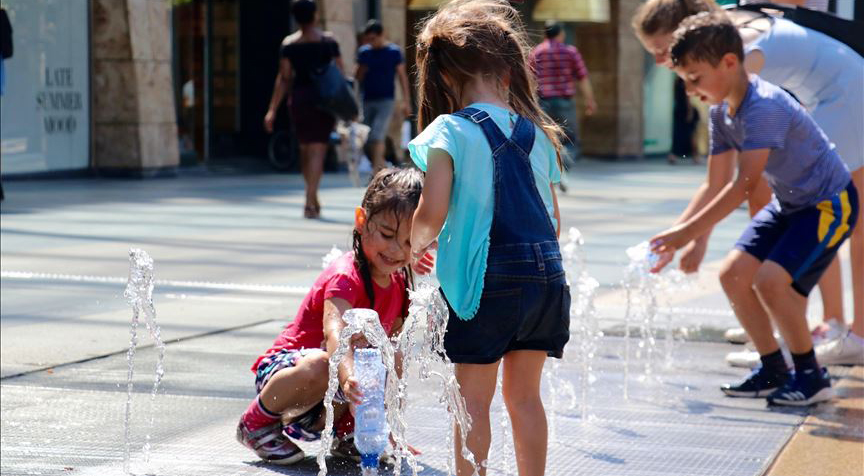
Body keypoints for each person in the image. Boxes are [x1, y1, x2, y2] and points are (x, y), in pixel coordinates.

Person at [632, 0, 864, 367]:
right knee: (828, 214)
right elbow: (717, 181)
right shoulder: (724, 45)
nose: (665, 62)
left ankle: (811, 331)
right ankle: (824, 326)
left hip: (846, 93)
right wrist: (691, 237)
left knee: (819, 210)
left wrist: (690, 235)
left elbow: (740, 181)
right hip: (836, 89)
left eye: (663, 51)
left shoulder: (733, 54)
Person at [409, 1, 570, 474]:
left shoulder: (449, 130)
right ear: (506, 67)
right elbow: (552, 221)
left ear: (441, 75)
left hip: (487, 285)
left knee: (472, 403)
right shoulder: (536, 133)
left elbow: (431, 211)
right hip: (546, 280)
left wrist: (414, 246)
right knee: (525, 399)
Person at [236, 168, 429, 464]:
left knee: (380, 364)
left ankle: (348, 434)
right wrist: (349, 376)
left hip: (328, 400)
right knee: (327, 362)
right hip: (289, 378)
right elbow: (334, 332)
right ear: (362, 221)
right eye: (388, 235)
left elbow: (396, 356)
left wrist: (390, 423)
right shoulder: (345, 275)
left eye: (408, 242)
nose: (395, 250)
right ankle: (254, 424)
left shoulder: (399, 285)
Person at [264, 0, 343, 219]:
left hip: (299, 98)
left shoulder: (290, 43)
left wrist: (272, 109)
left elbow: (284, 77)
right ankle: (310, 198)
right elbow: (340, 73)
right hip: (323, 100)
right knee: (318, 149)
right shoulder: (328, 41)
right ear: (315, 15)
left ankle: (311, 196)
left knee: (305, 149)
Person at [530, 20, 597, 192]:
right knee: (569, 139)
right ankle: (563, 169)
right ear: (561, 34)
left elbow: (529, 78)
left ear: (545, 34)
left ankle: (553, 172)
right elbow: (582, 77)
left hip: (542, 103)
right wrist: (590, 100)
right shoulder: (570, 52)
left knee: (546, 139)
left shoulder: (537, 53)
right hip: (565, 102)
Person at [355, 20, 411, 173]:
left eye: (373, 39)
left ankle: (376, 171)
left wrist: (406, 101)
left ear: (382, 35)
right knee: (366, 137)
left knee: (377, 134)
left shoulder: (393, 52)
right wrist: (362, 67)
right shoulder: (365, 52)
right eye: (368, 39)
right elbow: (357, 78)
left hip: (386, 100)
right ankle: (383, 165)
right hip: (367, 99)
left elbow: (402, 77)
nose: (371, 42)